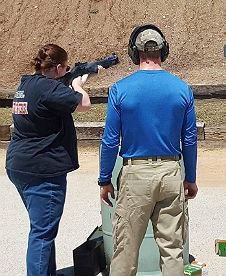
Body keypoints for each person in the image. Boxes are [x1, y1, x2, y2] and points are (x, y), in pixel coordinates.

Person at [99, 24, 198, 276]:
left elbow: (110, 140)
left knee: (126, 250)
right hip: (170, 173)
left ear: (135, 52)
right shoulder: (182, 89)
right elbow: (189, 140)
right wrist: (191, 179)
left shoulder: (120, 89)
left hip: (135, 176)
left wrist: (104, 178)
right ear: (163, 51)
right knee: (173, 249)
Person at [5, 44, 93, 276]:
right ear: (57, 68)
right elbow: (84, 104)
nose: (66, 71)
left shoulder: (26, 85)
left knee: (43, 228)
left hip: (20, 164)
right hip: (43, 169)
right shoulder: (48, 89)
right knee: (42, 232)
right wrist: (77, 84)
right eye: (64, 68)